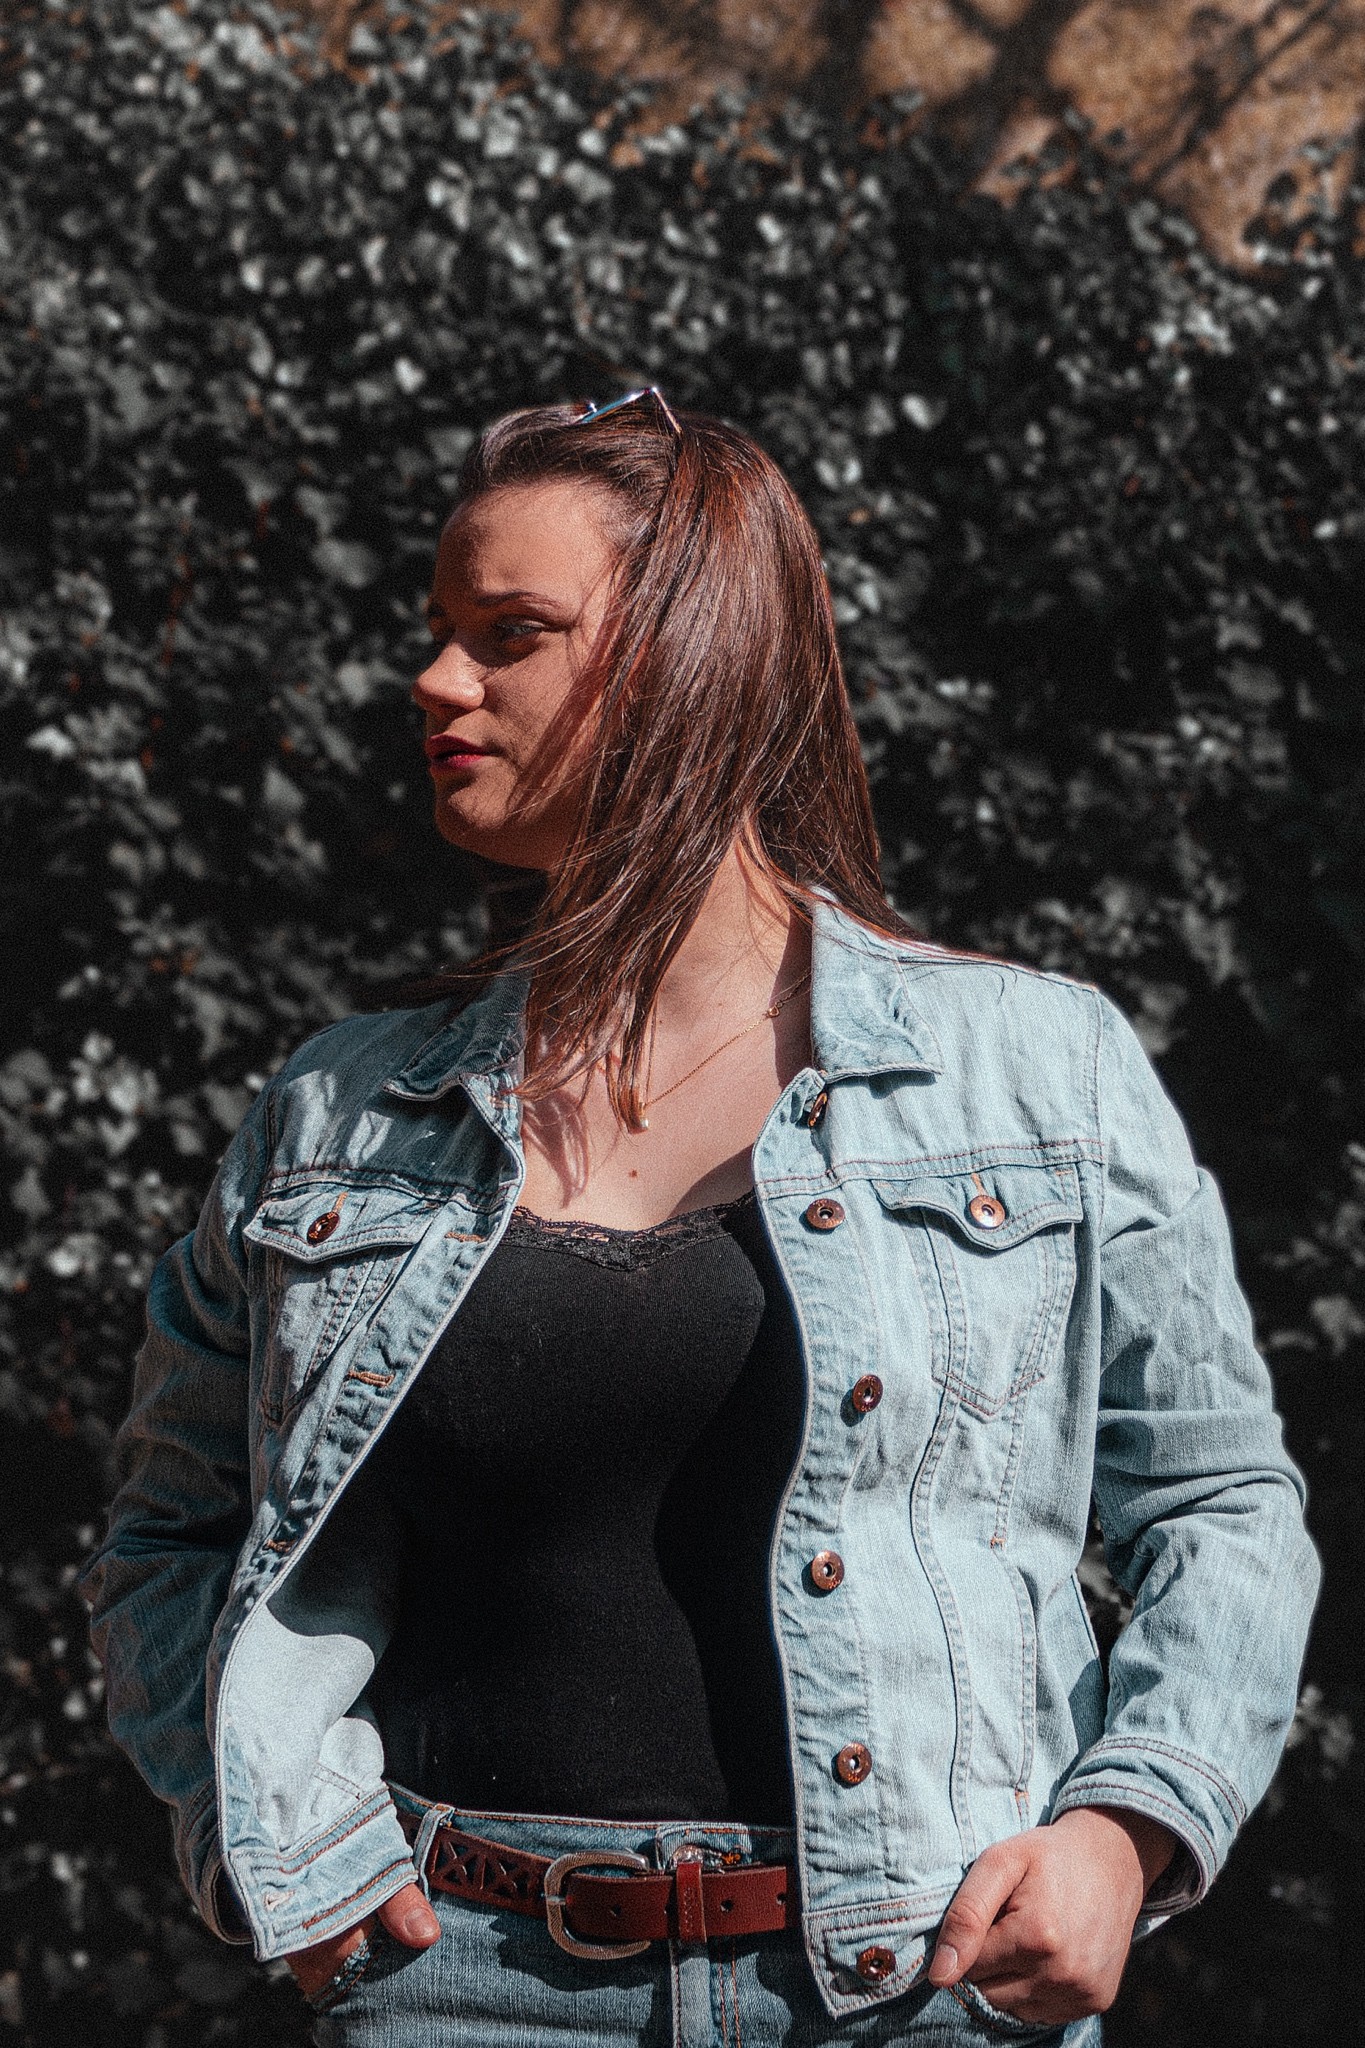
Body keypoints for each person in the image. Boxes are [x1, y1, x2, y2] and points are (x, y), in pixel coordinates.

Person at [80, 391, 1319, 2047]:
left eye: (509, 633)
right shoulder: (340, 1112)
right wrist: (267, 1834)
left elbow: (1220, 1502)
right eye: (439, 633)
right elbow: (168, 1535)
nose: (435, 681)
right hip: (458, 1981)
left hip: (920, 1979)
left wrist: (1126, 1825)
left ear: (690, 656)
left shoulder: (1030, 1069)